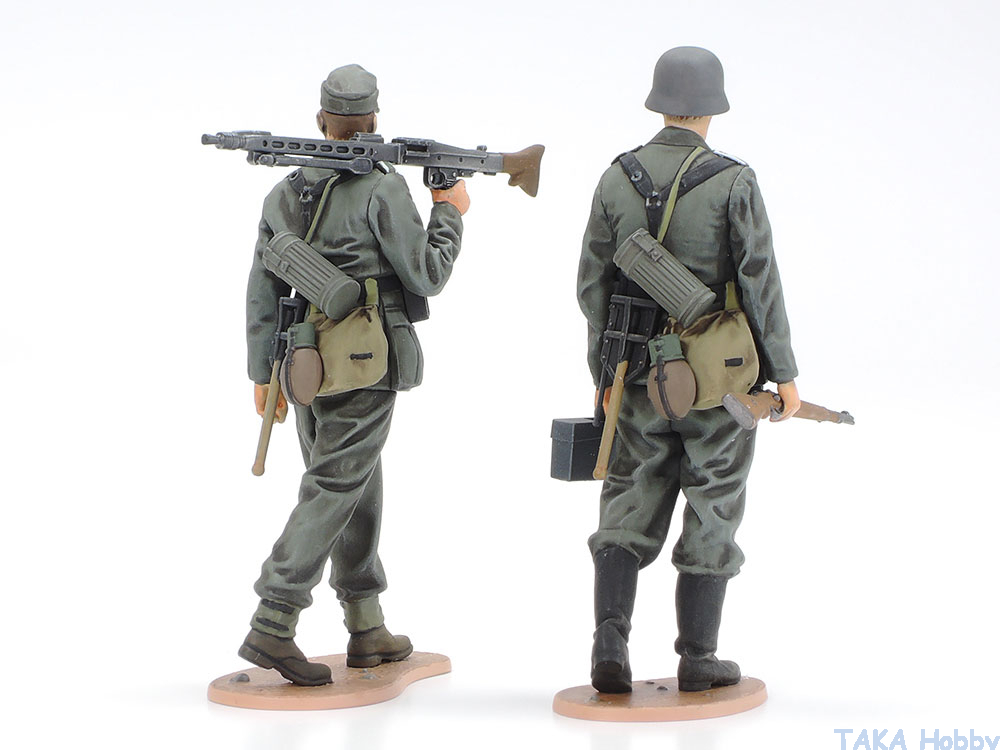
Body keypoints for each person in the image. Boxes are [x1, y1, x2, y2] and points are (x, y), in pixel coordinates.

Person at [577, 47, 800, 694]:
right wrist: (782, 372)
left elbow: (592, 288)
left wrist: (605, 373)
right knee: (714, 500)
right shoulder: (734, 182)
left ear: (659, 102)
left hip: (637, 375)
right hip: (720, 381)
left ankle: (609, 640)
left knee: (626, 499)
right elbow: (760, 283)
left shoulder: (616, 178)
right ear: (711, 108)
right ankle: (698, 658)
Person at [239, 64, 470, 686]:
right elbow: (427, 274)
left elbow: (262, 289)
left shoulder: (284, 192)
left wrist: (262, 371)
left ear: (321, 121)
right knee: (334, 488)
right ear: (374, 121)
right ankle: (274, 617)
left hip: (302, 364)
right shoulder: (381, 189)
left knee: (355, 485)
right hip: (364, 363)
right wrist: (449, 212)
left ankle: (366, 624)